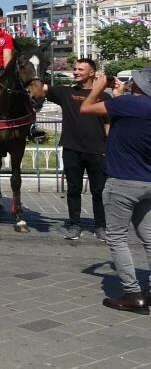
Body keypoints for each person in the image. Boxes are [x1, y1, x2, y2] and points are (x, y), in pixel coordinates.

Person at [80, 67, 151, 315]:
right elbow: (115, 129)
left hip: (122, 181)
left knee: (118, 237)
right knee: (149, 238)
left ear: (139, 87)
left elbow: (86, 109)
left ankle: (132, 293)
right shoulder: (133, 106)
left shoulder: (130, 104)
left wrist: (98, 89)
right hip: (147, 182)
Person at [44, 58, 110, 241]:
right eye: (75, 69)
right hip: (72, 148)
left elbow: (108, 124)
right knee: (73, 189)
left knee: (99, 191)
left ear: (92, 73)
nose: (76, 72)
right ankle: (74, 224)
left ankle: (100, 226)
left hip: (97, 150)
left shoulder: (104, 96)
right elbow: (38, 88)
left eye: (81, 69)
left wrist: (108, 147)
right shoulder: (65, 92)